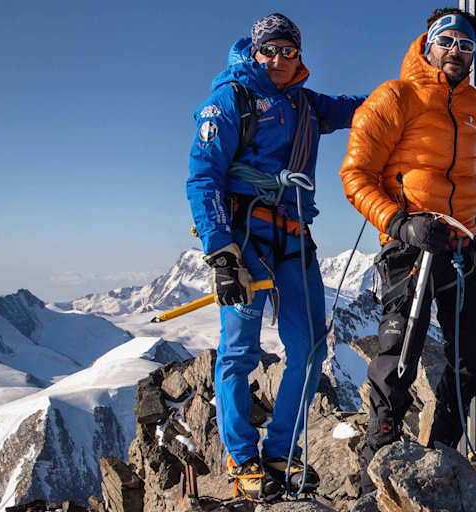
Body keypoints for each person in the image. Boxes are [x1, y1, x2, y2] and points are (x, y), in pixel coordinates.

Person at [185, 13, 365, 501]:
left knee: (308, 347)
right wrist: (221, 255)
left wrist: (413, 93)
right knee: (239, 351)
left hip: (292, 236)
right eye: (271, 51)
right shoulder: (230, 100)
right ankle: (242, 459)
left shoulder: (306, 104)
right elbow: (202, 177)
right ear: (256, 51)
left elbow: (360, 110)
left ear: (299, 55)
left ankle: (280, 451)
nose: (280, 60)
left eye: (290, 51)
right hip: (242, 238)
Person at [338, 7, 476, 495]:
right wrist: (399, 222)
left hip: (461, 246)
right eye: (449, 41)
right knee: (398, 358)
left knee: (469, 362)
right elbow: (355, 176)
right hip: (408, 247)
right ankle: (379, 464)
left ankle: (442, 454)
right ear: (429, 43)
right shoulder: (395, 97)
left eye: (467, 45)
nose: (458, 51)